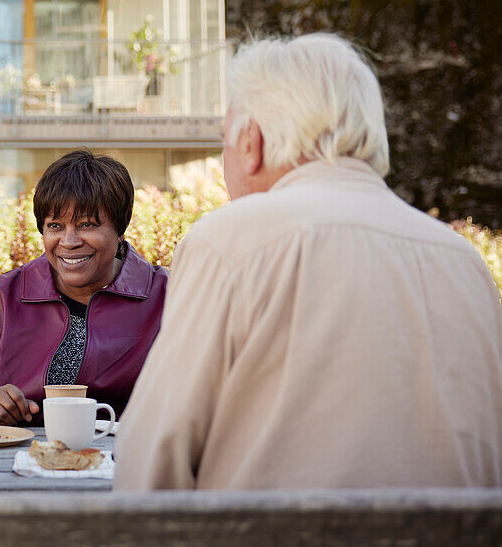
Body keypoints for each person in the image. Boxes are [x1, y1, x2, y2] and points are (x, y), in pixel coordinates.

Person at [114, 33, 502, 490]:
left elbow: (152, 463)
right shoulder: (463, 260)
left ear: (251, 143)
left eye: (224, 141)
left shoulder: (229, 241)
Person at [0, 149, 169, 425]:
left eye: (86, 224)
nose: (69, 241)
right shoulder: (1, 297)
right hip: (18, 458)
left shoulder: (169, 296)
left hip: (127, 456)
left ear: (120, 228)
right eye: (55, 225)